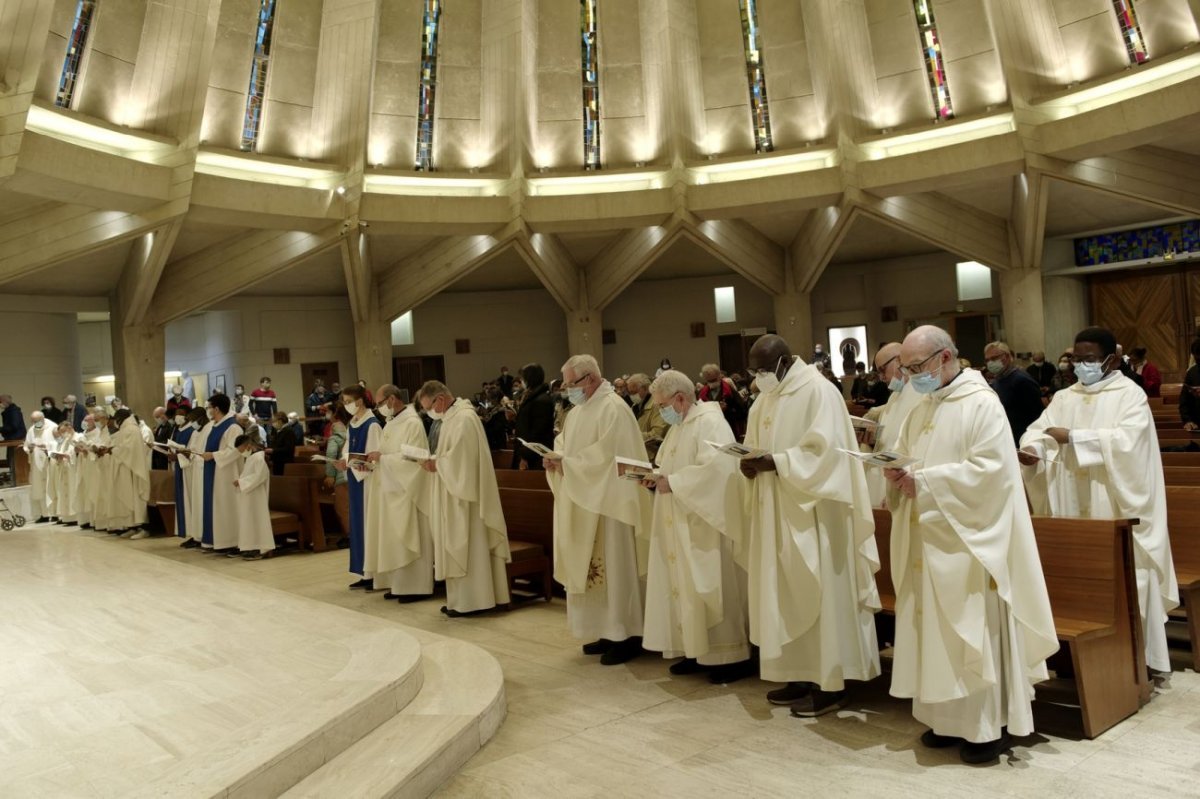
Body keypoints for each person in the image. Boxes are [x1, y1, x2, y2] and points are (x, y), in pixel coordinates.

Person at [884, 325, 1057, 765]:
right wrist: (893, 472)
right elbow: (905, 456)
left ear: (945, 358)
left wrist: (924, 482)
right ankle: (944, 720)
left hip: (970, 545)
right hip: (930, 540)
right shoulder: (923, 406)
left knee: (969, 633)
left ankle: (984, 728)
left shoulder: (982, 404)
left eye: (916, 367)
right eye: (905, 368)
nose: (911, 376)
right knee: (935, 635)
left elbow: (992, 474)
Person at [1019, 326, 1179, 675]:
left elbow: (1129, 445)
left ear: (1111, 360)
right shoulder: (1065, 397)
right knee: (1077, 575)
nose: (1080, 366)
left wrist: (1075, 438)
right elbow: (1038, 429)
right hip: (1071, 501)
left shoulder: (1129, 395)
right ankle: (1077, 660)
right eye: (1077, 359)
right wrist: (1032, 449)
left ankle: (1135, 661)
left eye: (1089, 359)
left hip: (1114, 502)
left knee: (1126, 578)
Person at [736, 334, 880, 716]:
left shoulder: (819, 392)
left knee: (820, 594)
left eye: (764, 369)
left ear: (784, 361)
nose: (759, 376)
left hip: (815, 517)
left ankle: (829, 683)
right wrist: (749, 465)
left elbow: (828, 455)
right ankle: (797, 674)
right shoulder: (764, 399)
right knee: (781, 593)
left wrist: (777, 463)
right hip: (775, 511)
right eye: (755, 370)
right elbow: (754, 447)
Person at [642, 370, 752, 683]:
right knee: (684, 588)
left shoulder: (710, 422)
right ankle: (696, 650)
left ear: (680, 398)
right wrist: (654, 477)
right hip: (679, 519)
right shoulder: (681, 425)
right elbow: (668, 463)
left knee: (710, 584)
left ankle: (727, 655)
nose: (661, 411)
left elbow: (718, 471)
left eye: (663, 404)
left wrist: (673, 481)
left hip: (705, 524)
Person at [546, 355, 651, 665]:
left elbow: (610, 459)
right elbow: (566, 445)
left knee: (614, 569)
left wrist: (569, 465)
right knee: (592, 572)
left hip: (610, 506)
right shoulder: (579, 412)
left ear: (589, 379)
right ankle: (604, 630)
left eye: (570, 383)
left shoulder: (614, 409)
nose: (567, 390)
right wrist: (555, 459)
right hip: (584, 500)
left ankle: (626, 633)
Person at [417, 381, 512, 616]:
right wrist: (437, 460)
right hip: (452, 492)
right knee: (455, 545)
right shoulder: (451, 418)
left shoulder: (464, 419)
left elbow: (464, 461)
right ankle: (459, 600)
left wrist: (437, 463)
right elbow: (451, 455)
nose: (430, 413)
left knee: (470, 545)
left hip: (467, 499)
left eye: (429, 407)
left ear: (439, 399)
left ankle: (475, 600)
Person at [366, 385, 435, 601]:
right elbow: (387, 454)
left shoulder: (412, 423)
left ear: (392, 399)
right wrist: (371, 461)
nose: (378, 408)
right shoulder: (391, 423)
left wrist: (383, 459)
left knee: (409, 537)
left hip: (408, 491)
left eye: (379, 403)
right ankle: (398, 585)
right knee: (393, 539)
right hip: (391, 489)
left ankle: (416, 587)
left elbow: (414, 459)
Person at [862, 342, 924, 506]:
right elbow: (890, 437)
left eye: (883, 369)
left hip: (906, 479)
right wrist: (872, 440)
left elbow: (917, 443)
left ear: (899, 360)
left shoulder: (921, 393)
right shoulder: (896, 395)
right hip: (887, 474)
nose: (881, 377)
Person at [183, 394, 242, 552]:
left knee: (224, 507)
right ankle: (215, 540)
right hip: (213, 472)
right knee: (214, 507)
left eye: (209, 407)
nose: (208, 410)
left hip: (225, 474)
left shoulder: (233, 427)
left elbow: (235, 450)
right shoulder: (215, 425)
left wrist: (214, 455)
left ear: (216, 408)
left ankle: (229, 541)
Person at [338, 385, 381, 590]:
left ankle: (373, 573)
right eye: (344, 402)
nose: (346, 406)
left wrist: (355, 462)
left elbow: (374, 457)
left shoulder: (372, 424)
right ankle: (364, 572)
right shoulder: (353, 423)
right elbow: (347, 449)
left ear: (360, 401)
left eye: (348, 401)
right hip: (355, 480)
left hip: (367, 482)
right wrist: (342, 461)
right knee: (357, 526)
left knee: (368, 525)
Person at [983, 341, 1044, 446]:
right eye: (987, 360)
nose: (990, 363)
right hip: (1006, 438)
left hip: (1022, 441)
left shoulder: (1021, 380)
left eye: (994, 358)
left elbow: (1037, 416)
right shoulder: (998, 379)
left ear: (1006, 356)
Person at [106, 409, 152, 539]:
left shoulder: (131, 429)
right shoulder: (126, 429)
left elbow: (128, 450)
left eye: (116, 419)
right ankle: (132, 526)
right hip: (126, 467)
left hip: (133, 469)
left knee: (136, 498)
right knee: (128, 497)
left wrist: (114, 450)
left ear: (120, 418)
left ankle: (143, 528)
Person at [231, 434, 276, 560]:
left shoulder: (258, 458)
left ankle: (260, 548)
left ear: (248, 446)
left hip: (257, 496)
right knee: (250, 520)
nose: (241, 453)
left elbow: (260, 476)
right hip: (250, 494)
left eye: (241, 450)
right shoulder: (252, 458)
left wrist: (241, 482)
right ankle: (250, 546)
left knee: (257, 520)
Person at [169, 408, 203, 546]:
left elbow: (194, 452)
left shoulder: (194, 431)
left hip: (191, 470)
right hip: (184, 469)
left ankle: (196, 535)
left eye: (182, 414)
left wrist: (179, 454)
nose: (178, 417)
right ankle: (192, 533)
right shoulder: (183, 431)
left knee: (191, 501)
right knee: (186, 501)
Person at [512, 363, 555, 470]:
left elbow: (538, 433)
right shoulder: (531, 397)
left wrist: (525, 457)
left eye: (522, 378)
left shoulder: (541, 400)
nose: (521, 381)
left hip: (534, 456)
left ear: (530, 379)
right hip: (526, 451)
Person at [698, 364, 748, 440]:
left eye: (714, 380)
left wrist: (728, 409)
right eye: (709, 381)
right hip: (709, 431)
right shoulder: (702, 393)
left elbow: (742, 412)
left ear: (719, 376)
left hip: (729, 429)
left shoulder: (729, 391)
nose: (712, 383)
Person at [323, 408, 351, 541]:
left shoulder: (334, 439)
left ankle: (350, 536)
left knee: (342, 508)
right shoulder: (350, 435)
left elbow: (330, 456)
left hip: (340, 477)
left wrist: (330, 475)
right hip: (352, 475)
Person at [627, 373, 667, 459]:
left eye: (634, 392)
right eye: (630, 393)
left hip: (651, 456)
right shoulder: (635, 406)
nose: (632, 396)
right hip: (637, 453)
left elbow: (657, 434)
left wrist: (633, 435)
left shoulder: (657, 405)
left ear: (645, 388)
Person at [24, 411, 53, 522]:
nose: (34, 423)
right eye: (33, 421)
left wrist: (47, 447)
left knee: (50, 486)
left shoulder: (52, 427)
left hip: (49, 461)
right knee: (39, 488)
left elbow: (57, 443)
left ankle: (54, 513)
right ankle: (44, 514)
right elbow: (26, 445)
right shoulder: (32, 430)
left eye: (36, 421)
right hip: (37, 463)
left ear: (42, 418)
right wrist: (30, 448)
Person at [1180, 339, 1200, 431]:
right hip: (1196, 424)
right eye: (1196, 356)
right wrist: (1187, 420)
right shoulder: (1191, 372)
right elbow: (1184, 401)